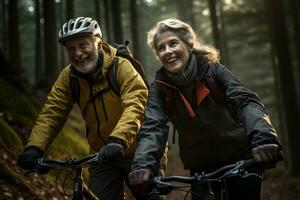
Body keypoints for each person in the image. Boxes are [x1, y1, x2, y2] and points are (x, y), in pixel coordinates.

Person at [128, 18, 281, 200]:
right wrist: (142, 165)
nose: (168, 51)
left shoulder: (213, 71)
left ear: (189, 45)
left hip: (241, 159)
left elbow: (246, 101)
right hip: (201, 168)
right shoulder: (159, 89)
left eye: (173, 43)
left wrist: (263, 139)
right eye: (161, 48)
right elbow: (153, 127)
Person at [17, 17, 148, 200]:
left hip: (141, 148)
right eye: (71, 48)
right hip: (101, 156)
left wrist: (118, 140)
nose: (77, 53)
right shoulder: (68, 78)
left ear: (99, 44)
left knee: (148, 192)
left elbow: (135, 104)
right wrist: (34, 148)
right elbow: (51, 113)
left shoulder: (121, 67)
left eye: (83, 45)